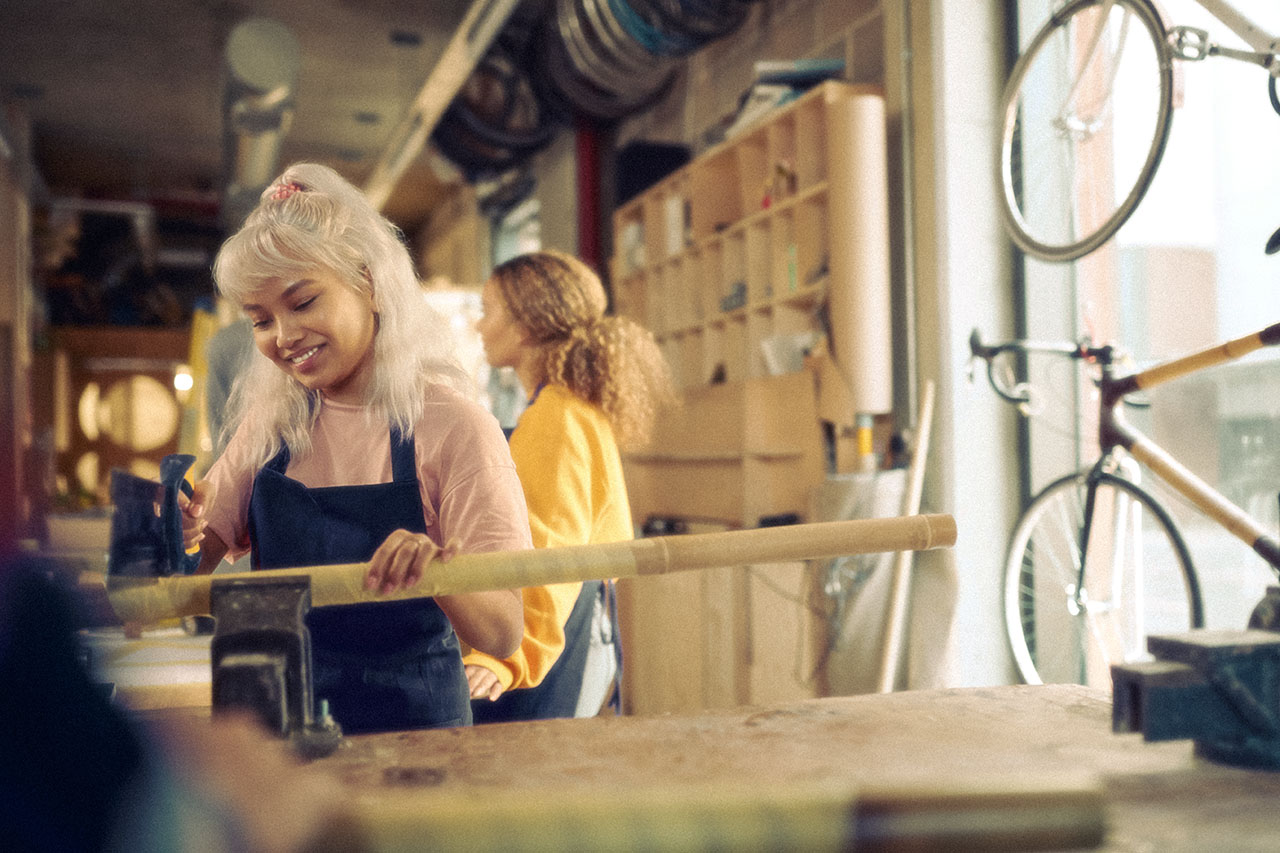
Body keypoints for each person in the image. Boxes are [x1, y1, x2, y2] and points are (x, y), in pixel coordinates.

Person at [179, 163, 530, 733]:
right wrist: (178, 532)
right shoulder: (269, 427)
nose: (284, 337)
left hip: (415, 730)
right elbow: (192, 570)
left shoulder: (453, 426)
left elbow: (501, 632)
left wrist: (439, 574)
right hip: (283, 719)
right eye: (261, 320)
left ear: (368, 283)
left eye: (303, 302)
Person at [466, 249, 672, 721]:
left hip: (554, 644)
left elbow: (551, 555)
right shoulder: (567, 408)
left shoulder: (556, 416)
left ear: (526, 326)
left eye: (488, 311)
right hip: (573, 634)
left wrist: (507, 658)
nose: (479, 326)